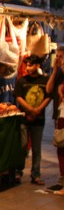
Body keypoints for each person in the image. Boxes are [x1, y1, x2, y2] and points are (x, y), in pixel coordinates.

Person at [14, 55, 51, 185]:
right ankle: (18, 172)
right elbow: (19, 97)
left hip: (38, 120)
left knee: (36, 148)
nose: (28, 68)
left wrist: (38, 110)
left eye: (30, 65)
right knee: (23, 146)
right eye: (27, 65)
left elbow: (48, 96)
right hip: (25, 119)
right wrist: (30, 109)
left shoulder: (45, 81)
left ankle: (35, 174)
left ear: (38, 66)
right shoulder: (21, 81)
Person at [45, 44, 64, 190]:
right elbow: (48, 89)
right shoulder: (58, 72)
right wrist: (55, 70)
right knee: (60, 145)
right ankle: (61, 179)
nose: (58, 59)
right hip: (59, 113)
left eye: (61, 57)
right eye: (56, 57)